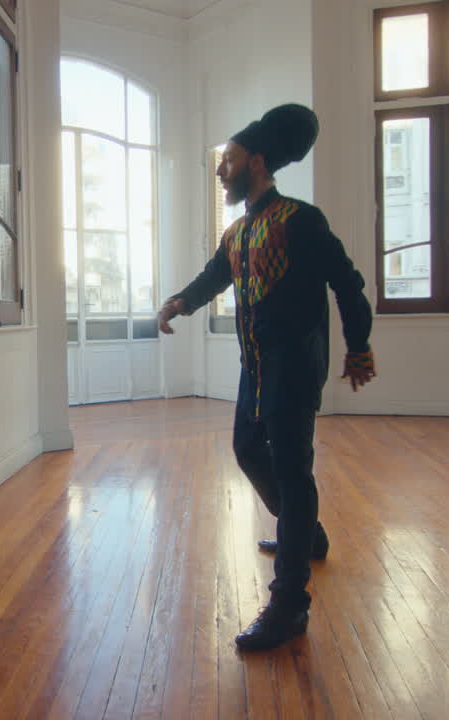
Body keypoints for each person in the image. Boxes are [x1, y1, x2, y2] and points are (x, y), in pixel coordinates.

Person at [157, 103, 376, 651]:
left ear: (256, 161)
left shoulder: (302, 220)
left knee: (290, 468)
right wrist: (180, 302)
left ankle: (289, 606)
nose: (220, 169)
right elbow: (214, 277)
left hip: (297, 365)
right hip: (254, 366)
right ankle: (307, 533)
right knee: (248, 450)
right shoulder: (237, 232)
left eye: (227, 159)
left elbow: (348, 284)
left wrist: (359, 345)